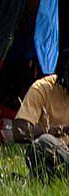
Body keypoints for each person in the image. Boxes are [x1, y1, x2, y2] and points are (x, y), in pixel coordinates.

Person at [12, 49, 69, 181]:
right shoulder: (43, 88)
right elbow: (20, 132)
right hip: (59, 153)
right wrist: (61, 130)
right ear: (64, 71)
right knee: (42, 143)